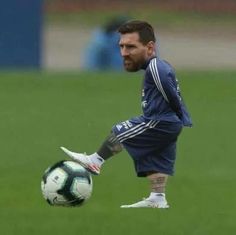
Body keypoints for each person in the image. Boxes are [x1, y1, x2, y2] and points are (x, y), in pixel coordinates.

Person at [61, 20, 192, 208]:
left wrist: (183, 115)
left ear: (150, 47)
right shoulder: (158, 66)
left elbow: (169, 91)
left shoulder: (156, 67)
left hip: (160, 121)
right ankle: (158, 197)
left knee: (121, 131)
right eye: (121, 46)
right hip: (170, 123)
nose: (123, 53)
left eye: (130, 47)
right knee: (157, 156)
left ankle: (95, 161)